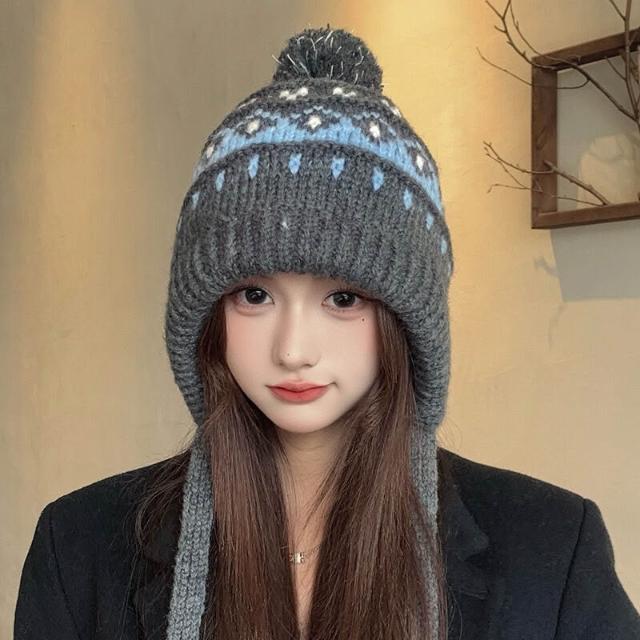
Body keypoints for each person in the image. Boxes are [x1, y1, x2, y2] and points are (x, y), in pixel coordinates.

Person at [13, 25, 640, 640]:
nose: (293, 350)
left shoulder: (553, 551)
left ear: (406, 321)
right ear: (206, 317)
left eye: (343, 298)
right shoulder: (78, 547)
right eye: (254, 296)